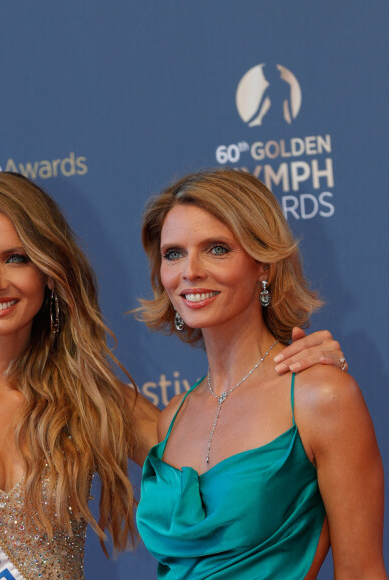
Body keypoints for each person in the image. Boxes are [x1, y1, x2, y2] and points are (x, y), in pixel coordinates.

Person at [0, 171, 347, 580]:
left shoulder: (95, 402)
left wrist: (298, 376)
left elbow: (241, 466)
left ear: (49, 269)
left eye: (16, 259)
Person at [135, 168, 386, 579]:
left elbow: (362, 571)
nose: (190, 271)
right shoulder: (174, 415)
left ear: (264, 265)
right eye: (173, 253)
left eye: (216, 249)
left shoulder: (320, 396)